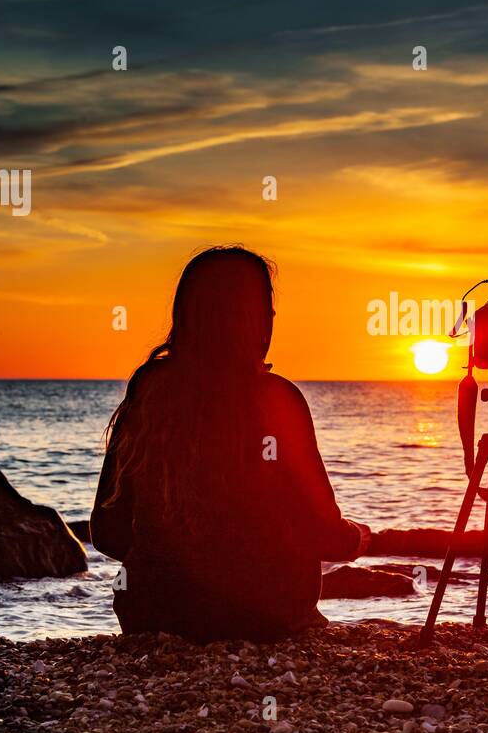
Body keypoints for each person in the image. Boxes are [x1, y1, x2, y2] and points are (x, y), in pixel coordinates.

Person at [91, 246, 369, 641]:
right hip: (264, 618)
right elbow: (321, 532)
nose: (272, 320)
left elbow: (107, 530)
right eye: (267, 310)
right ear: (253, 320)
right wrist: (356, 538)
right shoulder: (277, 398)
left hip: (150, 613)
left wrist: (174, 563)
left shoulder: (150, 390)